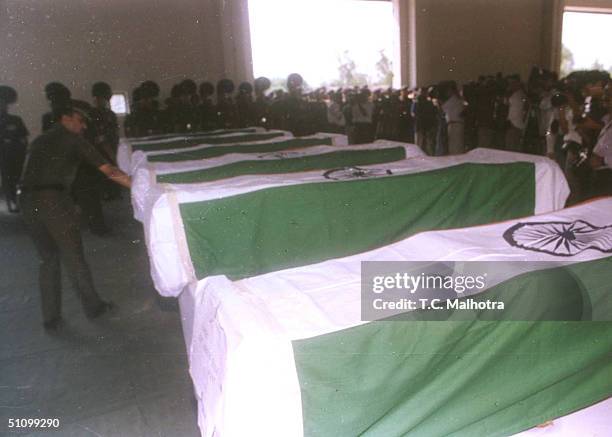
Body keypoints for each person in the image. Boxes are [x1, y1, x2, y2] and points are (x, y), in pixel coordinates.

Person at [19, 106, 131, 330]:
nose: (84, 126)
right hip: (53, 200)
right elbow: (109, 171)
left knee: (47, 259)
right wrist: (141, 187)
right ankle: (94, 307)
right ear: (65, 118)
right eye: (80, 120)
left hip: (27, 201)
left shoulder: (39, 140)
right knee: (73, 256)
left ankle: (50, 317)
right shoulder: (74, 140)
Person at [0, 86, 28, 213]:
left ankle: (13, 200)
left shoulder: (15, 120)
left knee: (13, 178)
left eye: (4, 102)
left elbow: (23, 139)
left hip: (12, 157)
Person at [440, 81, 465, 155]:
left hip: (454, 124)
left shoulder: (452, 100)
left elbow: (443, 109)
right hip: (458, 124)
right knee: (458, 145)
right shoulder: (459, 99)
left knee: (454, 146)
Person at [505, 75, 527, 152]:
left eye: (511, 83)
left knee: (511, 147)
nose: (510, 85)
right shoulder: (517, 94)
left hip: (515, 124)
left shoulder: (518, 94)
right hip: (514, 123)